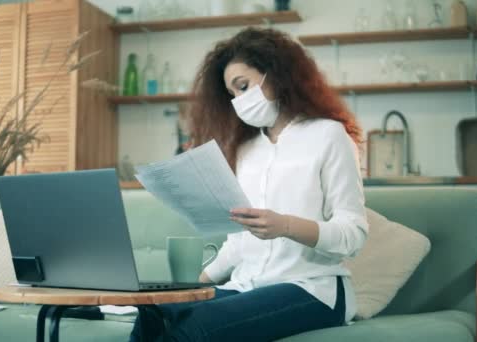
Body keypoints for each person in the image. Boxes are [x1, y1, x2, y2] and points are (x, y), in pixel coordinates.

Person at [130, 27, 369, 342]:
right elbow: (238, 246)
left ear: (278, 75)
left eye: (244, 87)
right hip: (246, 286)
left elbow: (354, 235)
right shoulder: (245, 151)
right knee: (156, 313)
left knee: (194, 328)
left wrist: (285, 225)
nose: (239, 101)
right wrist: (187, 291)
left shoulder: (328, 136)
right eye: (232, 95)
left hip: (312, 289)